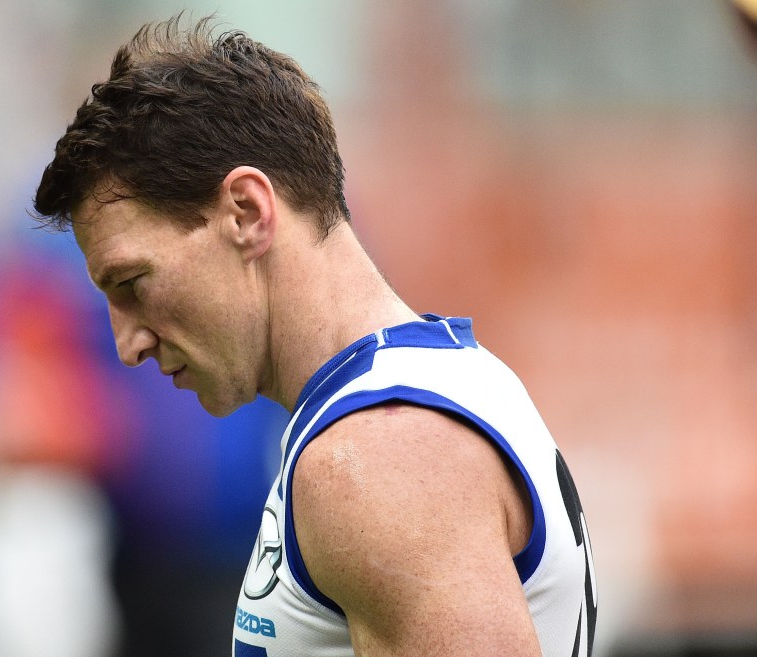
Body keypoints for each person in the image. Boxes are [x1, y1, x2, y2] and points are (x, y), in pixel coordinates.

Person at [33, 15, 597, 657]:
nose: (127, 344)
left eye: (133, 282)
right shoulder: (415, 397)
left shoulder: (379, 454)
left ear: (246, 213)